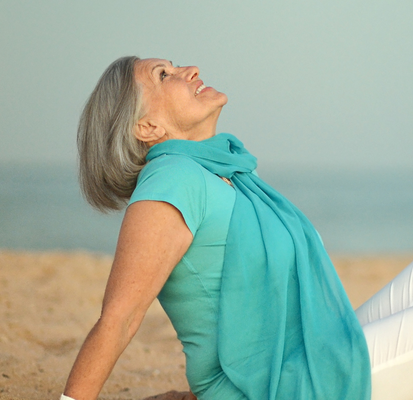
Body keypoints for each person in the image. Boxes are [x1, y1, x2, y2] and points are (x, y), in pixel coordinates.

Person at [60, 56, 413, 400]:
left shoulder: (229, 175)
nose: (190, 70)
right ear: (147, 126)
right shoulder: (171, 181)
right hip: (275, 384)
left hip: (310, 354)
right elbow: (120, 318)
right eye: (164, 75)